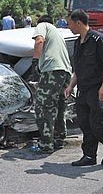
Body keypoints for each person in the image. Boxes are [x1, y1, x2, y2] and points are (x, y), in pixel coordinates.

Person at [64, 9, 103, 166]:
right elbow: (79, 69)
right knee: (85, 124)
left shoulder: (97, 39)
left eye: (70, 24)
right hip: (82, 89)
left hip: (96, 89)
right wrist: (70, 86)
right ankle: (89, 156)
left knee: (97, 124)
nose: (69, 27)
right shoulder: (77, 42)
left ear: (78, 22)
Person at [30, 15, 72, 154]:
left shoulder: (43, 25)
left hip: (52, 71)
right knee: (59, 105)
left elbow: (39, 40)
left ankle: (46, 144)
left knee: (43, 107)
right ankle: (59, 139)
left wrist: (35, 62)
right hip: (65, 72)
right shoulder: (58, 33)